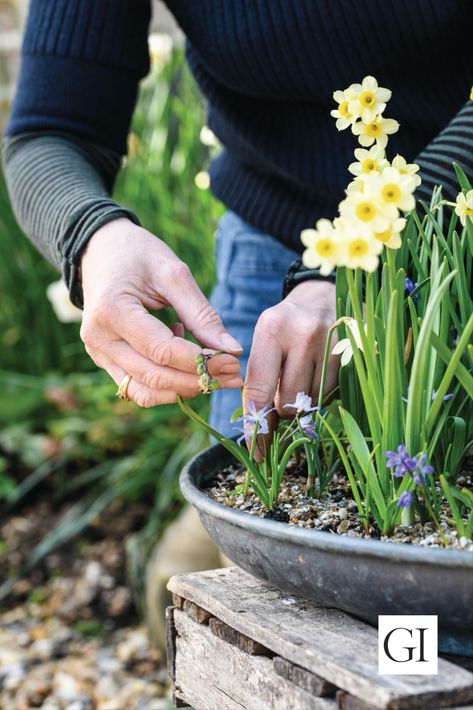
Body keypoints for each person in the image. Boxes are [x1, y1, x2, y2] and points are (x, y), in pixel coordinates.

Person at [3, 1, 473, 645]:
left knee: (422, 623)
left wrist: (362, 268)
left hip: (454, 225)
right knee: (275, 598)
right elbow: (50, 128)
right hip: (278, 238)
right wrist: (92, 238)